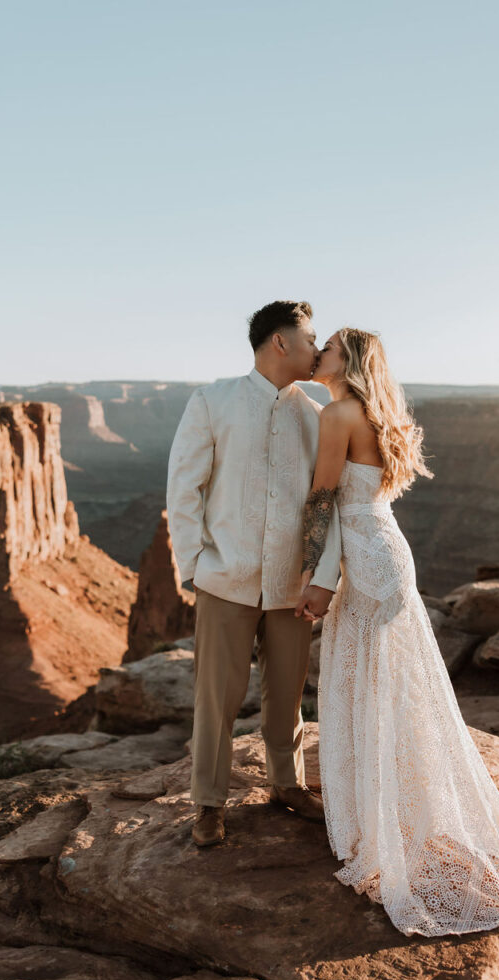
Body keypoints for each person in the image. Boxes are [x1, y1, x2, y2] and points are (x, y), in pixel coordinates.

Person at [295, 326, 499, 936]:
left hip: (367, 563)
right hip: (387, 552)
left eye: (331, 349)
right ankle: (391, 810)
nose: (320, 355)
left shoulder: (339, 412)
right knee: (388, 688)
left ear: (351, 363)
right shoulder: (362, 408)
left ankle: (382, 822)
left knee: (368, 686)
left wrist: (309, 578)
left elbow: (322, 499)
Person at [166, 300, 342, 847]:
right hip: (226, 579)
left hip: (293, 585)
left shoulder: (315, 417)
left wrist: (323, 576)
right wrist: (193, 564)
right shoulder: (211, 401)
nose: (317, 348)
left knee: (287, 692)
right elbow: (183, 486)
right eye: (310, 338)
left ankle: (286, 784)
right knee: (217, 695)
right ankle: (208, 804)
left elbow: (331, 501)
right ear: (280, 342)